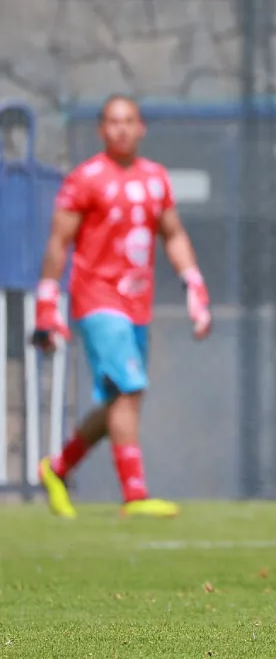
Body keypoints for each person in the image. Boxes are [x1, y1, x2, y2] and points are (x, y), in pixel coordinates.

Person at [34, 95, 211, 519]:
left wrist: (194, 282)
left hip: (137, 304)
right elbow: (59, 243)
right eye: (113, 122)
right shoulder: (85, 179)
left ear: (141, 127)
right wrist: (46, 302)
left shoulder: (155, 179)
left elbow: (173, 234)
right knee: (128, 390)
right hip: (97, 299)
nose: (121, 129)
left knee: (121, 400)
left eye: (129, 121)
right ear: (101, 130)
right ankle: (135, 495)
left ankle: (57, 468)